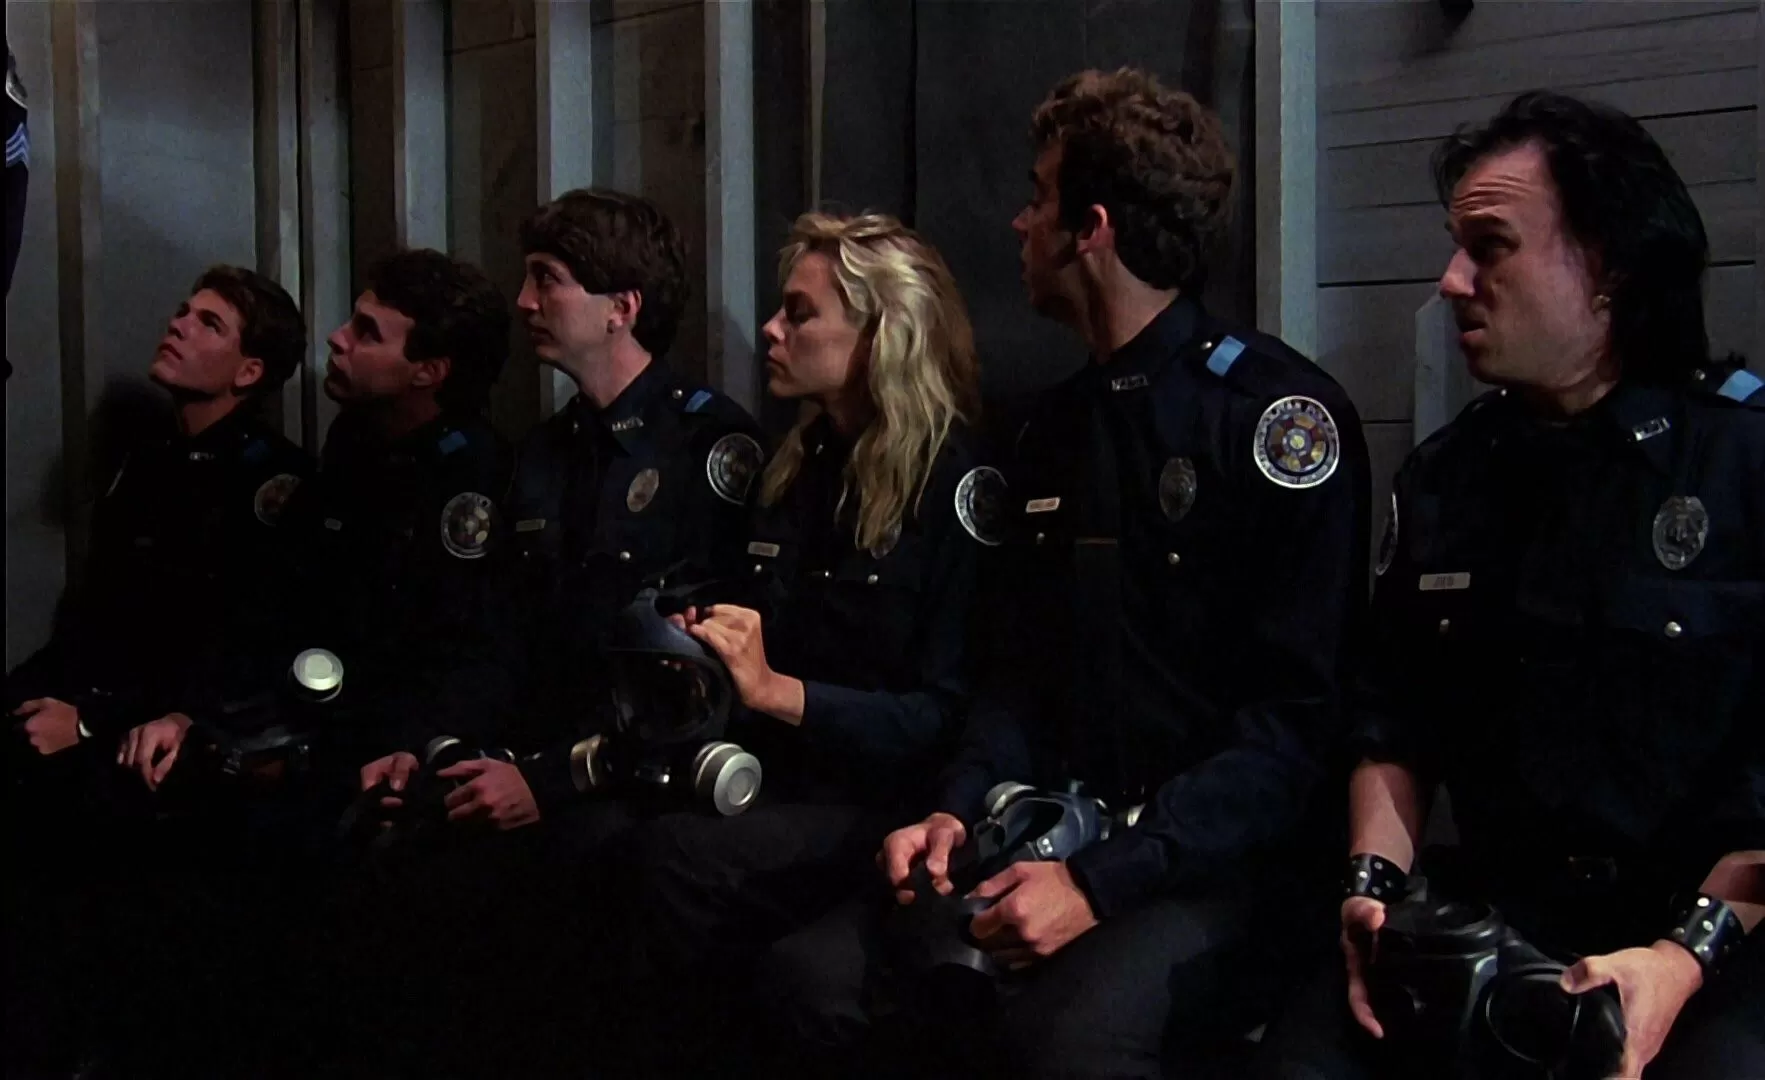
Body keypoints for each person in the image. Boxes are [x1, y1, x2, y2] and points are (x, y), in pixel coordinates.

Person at [762, 68, 1371, 1079]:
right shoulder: (1049, 434)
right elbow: (1015, 677)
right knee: (815, 978)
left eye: (1037, 199)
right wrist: (955, 807)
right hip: (1053, 824)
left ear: (1090, 229)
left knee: (1065, 1039)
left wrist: (1102, 881)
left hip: (1217, 863)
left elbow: (1290, 733)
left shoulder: (1272, 420)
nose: (1017, 223)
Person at [1252, 91, 1765, 1080]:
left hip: (1713, 933)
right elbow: (1392, 723)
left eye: (1488, 248)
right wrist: (1370, 889)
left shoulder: (1740, 462)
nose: (1451, 282)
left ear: (1609, 270)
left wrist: (1678, 961)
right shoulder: (1449, 478)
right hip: (1503, 922)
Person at [335, 191, 759, 1077]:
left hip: (633, 779)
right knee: (388, 848)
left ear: (620, 307)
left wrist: (549, 780)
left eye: (548, 280)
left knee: (561, 890)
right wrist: (436, 745)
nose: (525, 301)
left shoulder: (706, 444)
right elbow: (495, 636)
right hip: (529, 760)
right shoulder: (541, 454)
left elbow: (698, 681)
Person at [617, 211, 989, 1071]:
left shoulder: (953, 485)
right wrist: (708, 641)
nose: (771, 331)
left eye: (799, 313)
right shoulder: (798, 467)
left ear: (880, 333)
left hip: (897, 802)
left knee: (675, 861)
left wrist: (779, 692)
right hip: (782, 778)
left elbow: (947, 715)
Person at [2, 265, 311, 1075]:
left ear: (249, 370)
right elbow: (92, 623)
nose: (178, 326)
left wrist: (91, 720)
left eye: (208, 323)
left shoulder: (272, 484)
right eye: (182, 311)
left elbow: (237, 652)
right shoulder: (146, 466)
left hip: (173, 746)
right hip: (96, 713)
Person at [285, 247, 516, 777]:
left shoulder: (470, 474)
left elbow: (461, 650)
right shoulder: (355, 438)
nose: (337, 338)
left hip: (402, 746)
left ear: (428, 372)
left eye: (367, 333)